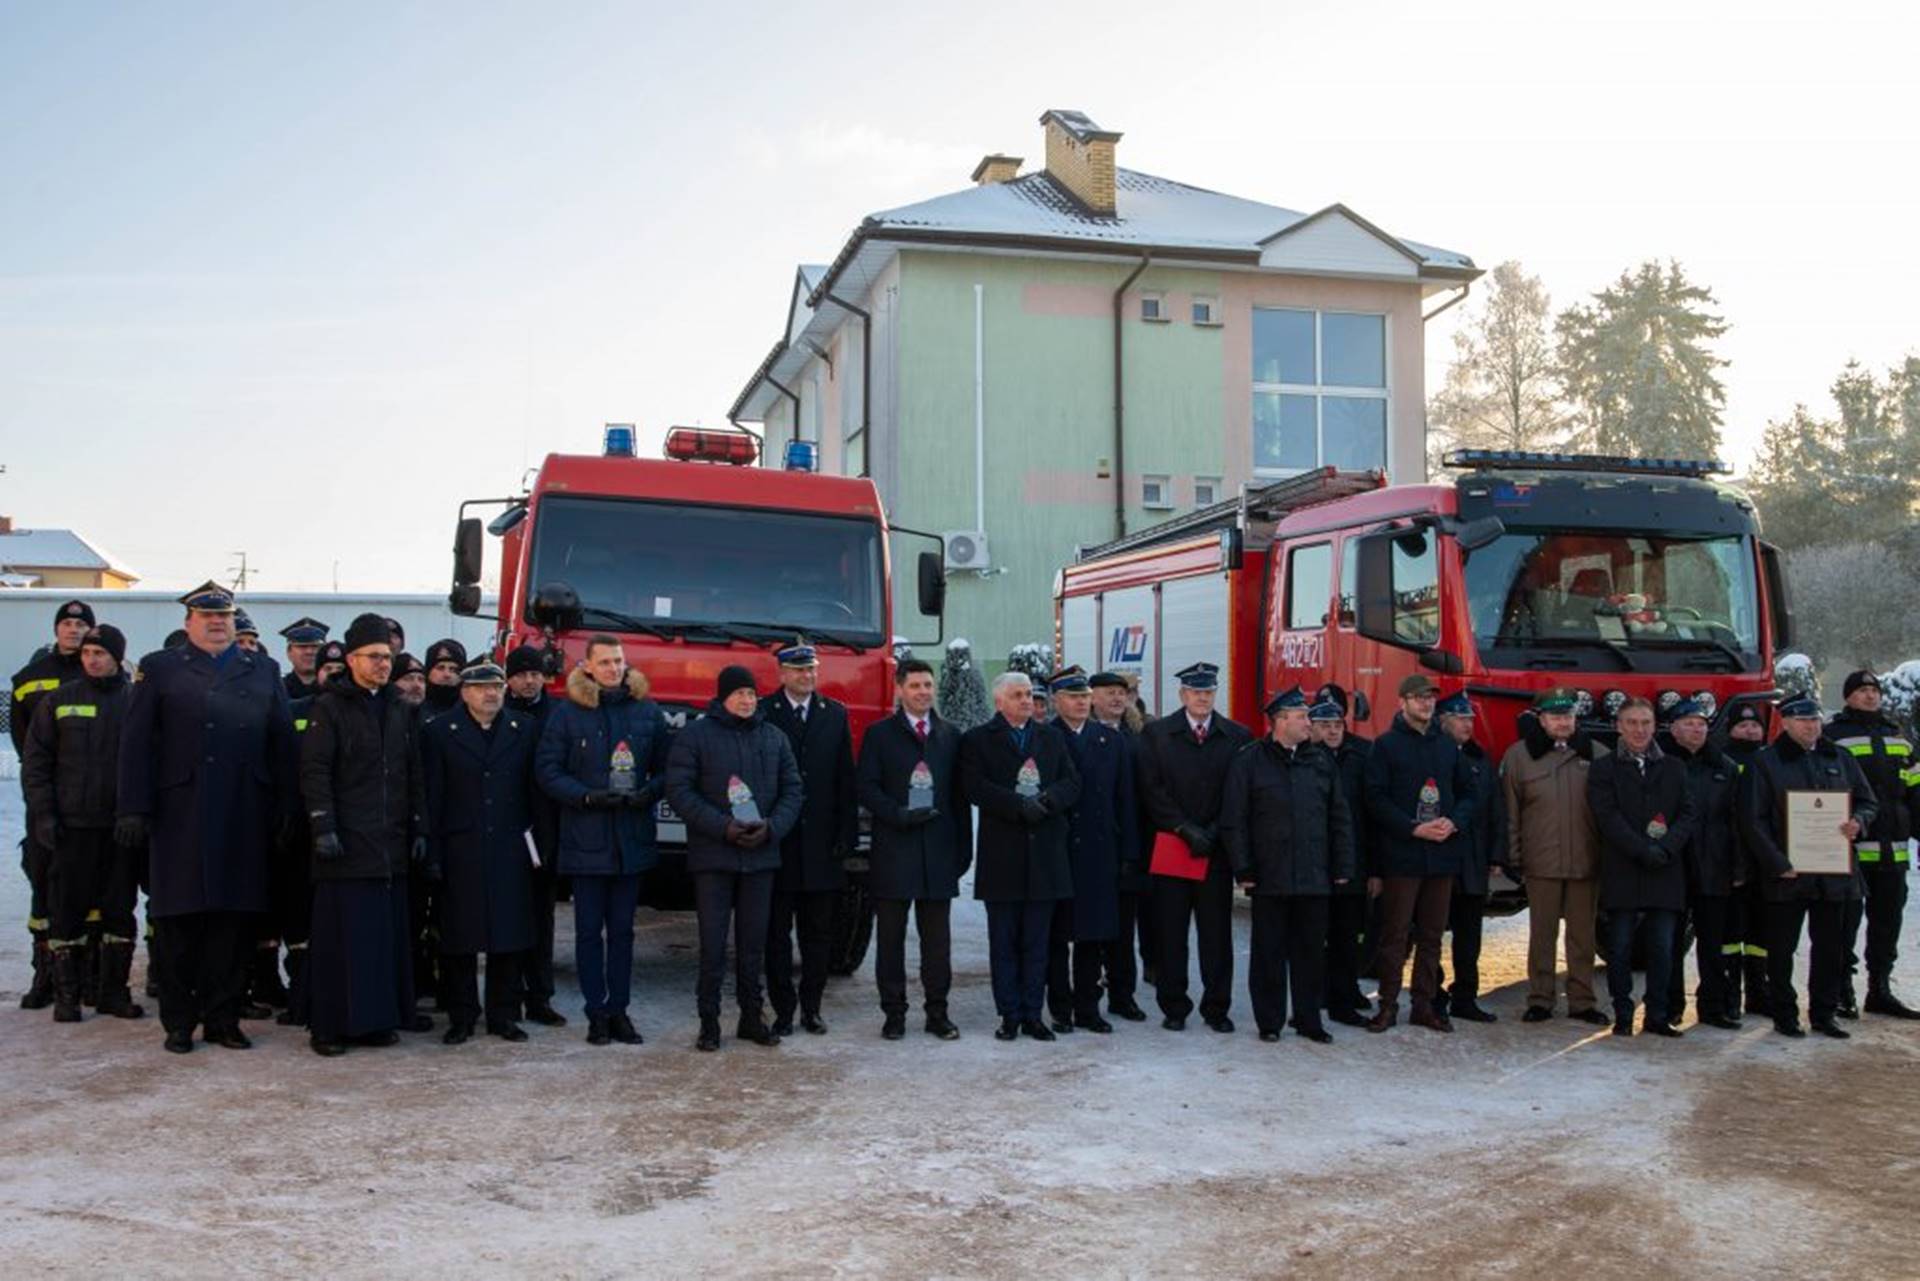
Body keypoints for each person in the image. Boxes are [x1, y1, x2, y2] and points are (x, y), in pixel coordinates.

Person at [117, 582, 297, 1053]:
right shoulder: (160, 669)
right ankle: (180, 1022)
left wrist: (285, 807)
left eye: (225, 616)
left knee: (234, 925)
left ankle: (223, 1017)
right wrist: (133, 807)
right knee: (180, 923)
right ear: (189, 623)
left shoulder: (262, 669)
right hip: (181, 813)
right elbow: (136, 745)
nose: (218, 623)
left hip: (243, 811)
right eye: (207, 616)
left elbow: (281, 745)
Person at [299, 613, 430, 1057]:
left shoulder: (396, 707)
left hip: (387, 843)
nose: (382, 664)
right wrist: (323, 825)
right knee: (341, 940)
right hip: (345, 844)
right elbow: (315, 771)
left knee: (380, 939)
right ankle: (330, 1027)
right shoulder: (330, 707)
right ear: (352, 659)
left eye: (387, 657)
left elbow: (412, 772)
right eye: (374, 657)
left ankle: (374, 1020)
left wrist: (419, 827)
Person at [535, 635, 667, 1046]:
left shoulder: (647, 712)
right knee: (589, 932)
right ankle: (596, 1012)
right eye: (606, 662)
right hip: (585, 840)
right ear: (587, 667)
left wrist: (650, 792)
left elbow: (669, 766)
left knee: (624, 932)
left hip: (630, 840)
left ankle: (619, 1011)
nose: (614, 668)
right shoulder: (567, 714)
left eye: (619, 661)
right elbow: (547, 770)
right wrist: (586, 796)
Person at [665, 665, 803, 1052]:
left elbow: (793, 791)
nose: (747, 701)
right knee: (712, 945)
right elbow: (680, 791)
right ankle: (709, 1022)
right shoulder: (696, 737)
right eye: (739, 694)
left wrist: (772, 828)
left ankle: (751, 1017)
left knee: (752, 945)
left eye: (751, 694)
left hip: (761, 858)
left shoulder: (774, 737)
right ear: (722, 697)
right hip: (714, 858)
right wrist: (723, 827)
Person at [21, 624, 143, 1022]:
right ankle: (67, 996)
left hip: (119, 829)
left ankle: (112, 992)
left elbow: (149, 765)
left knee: (119, 911)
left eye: (100, 653)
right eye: (87, 652)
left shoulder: (136, 703)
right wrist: (45, 815)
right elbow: (36, 765)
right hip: (71, 827)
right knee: (66, 911)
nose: (91, 659)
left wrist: (135, 814)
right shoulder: (59, 701)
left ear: (116, 658)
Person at [1222, 686, 1355, 1044]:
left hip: (1315, 875)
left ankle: (1309, 1019)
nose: (1308, 722)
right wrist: (1244, 868)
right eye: (1301, 716)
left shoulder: (1320, 760)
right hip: (1270, 875)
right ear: (1280, 720)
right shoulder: (1250, 760)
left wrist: (1342, 865)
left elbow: (1338, 816)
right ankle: (1270, 1021)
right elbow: (1236, 819)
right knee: (1269, 952)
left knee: (1311, 952)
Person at [1741, 692, 1878, 1038]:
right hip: (1787, 875)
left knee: (1831, 948)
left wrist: (1858, 822)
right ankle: (1785, 1014)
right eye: (1803, 721)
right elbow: (1752, 820)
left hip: (1833, 876)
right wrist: (1777, 862)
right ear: (1785, 723)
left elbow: (1867, 801)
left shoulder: (1840, 757)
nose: (1811, 726)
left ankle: (1824, 1013)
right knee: (1782, 950)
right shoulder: (1766, 762)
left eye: (1815, 720)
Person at [420, 662, 538, 1045]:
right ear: (464, 692)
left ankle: (504, 1015)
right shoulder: (439, 732)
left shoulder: (524, 730)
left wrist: (539, 847)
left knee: (509, 935)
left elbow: (534, 793)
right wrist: (432, 851)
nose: (492, 694)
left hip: (509, 847)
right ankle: (462, 1015)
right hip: (461, 847)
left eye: (497, 686)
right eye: (482, 687)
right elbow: (432, 796)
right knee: (459, 939)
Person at [961, 672, 1080, 1042]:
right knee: (1004, 943)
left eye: (1030, 694)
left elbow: (1072, 782)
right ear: (1000, 701)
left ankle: (1033, 1014)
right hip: (1004, 858)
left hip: (1045, 856)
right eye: (1018, 695)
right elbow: (973, 785)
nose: (1027, 700)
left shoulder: (1051, 737)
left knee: (1037, 943)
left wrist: (1046, 802)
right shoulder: (978, 740)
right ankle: (1009, 1014)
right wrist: (1016, 805)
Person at [858, 658, 970, 1040]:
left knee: (937, 943)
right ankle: (894, 1013)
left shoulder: (951, 735)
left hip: (938, 854)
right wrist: (897, 815)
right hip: (895, 851)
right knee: (890, 940)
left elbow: (959, 798)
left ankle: (937, 1012)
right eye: (916, 685)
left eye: (928, 685)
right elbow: (867, 788)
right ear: (900, 689)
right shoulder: (880, 735)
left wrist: (963, 852)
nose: (923, 692)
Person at [1136, 661, 1250, 1032]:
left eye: (1208, 692)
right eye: (1196, 692)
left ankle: (1216, 1008)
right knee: (1171, 934)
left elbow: (1238, 793)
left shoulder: (1236, 736)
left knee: (1216, 936)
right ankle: (1174, 1006)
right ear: (1182, 695)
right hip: (1173, 847)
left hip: (1214, 853)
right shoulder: (1156, 735)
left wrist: (1214, 832)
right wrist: (1184, 829)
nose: (1203, 698)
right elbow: (1151, 791)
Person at [1363, 673, 1475, 1034]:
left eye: (1430, 698)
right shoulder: (1386, 746)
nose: (1426, 704)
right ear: (1403, 702)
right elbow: (1375, 799)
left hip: (1440, 856)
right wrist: (1412, 827)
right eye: (1418, 698)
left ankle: (1424, 1005)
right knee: (1395, 935)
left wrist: (1453, 822)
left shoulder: (1446, 746)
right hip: (1402, 856)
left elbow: (1469, 792)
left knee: (1432, 935)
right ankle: (1388, 1004)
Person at [760, 643, 857, 1037]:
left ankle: (812, 1008)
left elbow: (845, 780)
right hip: (778, 844)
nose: (807, 677)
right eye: (799, 671)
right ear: (782, 674)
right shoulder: (766, 712)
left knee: (818, 936)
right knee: (776, 936)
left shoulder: (833, 714)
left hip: (821, 845)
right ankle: (783, 1009)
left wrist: (846, 834)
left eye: (812, 670)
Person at [1588, 697, 1698, 1037]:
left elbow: (1688, 813)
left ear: (1655, 727)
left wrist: (1664, 848)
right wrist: (1641, 849)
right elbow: (1607, 817)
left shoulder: (1675, 767)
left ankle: (1657, 1015)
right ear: (1619, 727)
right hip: (1623, 869)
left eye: (1645, 723)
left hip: (1665, 870)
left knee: (1663, 949)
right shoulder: (1603, 769)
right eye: (1632, 723)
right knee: (1619, 948)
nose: (1639, 730)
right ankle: (1622, 1013)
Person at [1501, 688, 1610, 1026]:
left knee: (1582, 936)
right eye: (1556, 716)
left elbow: (1609, 814)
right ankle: (1540, 999)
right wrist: (1514, 856)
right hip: (1541, 860)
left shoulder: (1597, 753)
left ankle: (1582, 1000)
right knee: (1541, 934)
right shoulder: (1519, 757)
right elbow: (1511, 812)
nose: (1563, 722)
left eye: (1568, 716)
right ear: (1542, 720)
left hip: (1585, 860)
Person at [1044, 667, 1137, 1035]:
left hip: (1100, 852)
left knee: (1092, 938)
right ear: (1057, 700)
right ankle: (1060, 1008)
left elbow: (1124, 799)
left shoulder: (1109, 740)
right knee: (1057, 937)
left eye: (1084, 697)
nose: (1081, 703)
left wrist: (1128, 852)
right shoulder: (1046, 737)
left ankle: (1088, 1007)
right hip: (1060, 850)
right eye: (1073, 697)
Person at [11, 598, 93, 1011]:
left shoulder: (101, 671)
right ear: (56, 629)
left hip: (93, 800)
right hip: (47, 800)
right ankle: (45, 972)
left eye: (82, 624)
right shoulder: (29, 678)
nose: (74, 629)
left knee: (92, 888)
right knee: (44, 885)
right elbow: (27, 746)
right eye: (67, 623)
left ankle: (92, 976)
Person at [1824, 670, 1920, 1019]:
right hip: (1848, 849)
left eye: (1874, 690)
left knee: (1887, 923)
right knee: (1843, 924)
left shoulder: (1899, 738)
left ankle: (1880, 989)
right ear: (1848, 697)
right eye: (1862, 690)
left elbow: (1915, 792)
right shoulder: (1831, 736)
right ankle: (1842, 991)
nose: (1870, 696)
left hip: (1892, 850)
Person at [1661, 698, 1746, 1029]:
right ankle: (1670, 1006)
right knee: (1670, 944)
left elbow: (1739, 820)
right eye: (1689, 723)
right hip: (1674, 868)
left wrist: (1739, 866)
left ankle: (1713, 1007)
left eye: (1701, 723)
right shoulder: (1663, 763)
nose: (1696, 729)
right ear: (1674, 728)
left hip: (1716, 866)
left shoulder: (1724, 767)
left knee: (1713, 944)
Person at [504, 644, 565, 1026]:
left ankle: (539, 997)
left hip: (546, 829)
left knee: (542, 919)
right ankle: (507, 998)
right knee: (509, 918)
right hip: (507, 828)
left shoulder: (559, 713)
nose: (529, 681)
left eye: (536, 673)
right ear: (509, 678)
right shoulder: (496, 710)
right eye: (522, 674)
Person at [1436, 692, 1502, 1023]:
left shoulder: (1480, 759)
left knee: (1469, 936)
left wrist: (1495, 854)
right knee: (1430, 930)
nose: (1468, 725)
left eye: (1470, 719)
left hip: (1473, 859)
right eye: (1461, 719)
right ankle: (1432, 993)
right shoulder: (1431, 755)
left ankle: (1466, 997)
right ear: (1443, 720)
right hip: (1438, 856)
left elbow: (1494, 810)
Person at [1310, 688, 1374, 1027]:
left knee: (1349, 936)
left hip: (1353, 863)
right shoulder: (1304, 757)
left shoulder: (1363, 754)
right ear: (1312, 726)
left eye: (1337, 723)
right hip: (1316, 866)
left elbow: (1371, 814)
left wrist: (1374, 869)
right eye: (1325, 724)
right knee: (1316, 935)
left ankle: (1346, 993)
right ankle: (1318, 993)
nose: (1333, 730)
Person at [1089, 669, 1150, 1021]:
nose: (1117, 699)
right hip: (1092, 849)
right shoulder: (1076, 734)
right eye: (1109, 692)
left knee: (1124, 930)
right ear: (1093, 697)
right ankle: (1087, 995)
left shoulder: (1140, 736)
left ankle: (1122, 995)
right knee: (1090, 929)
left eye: (1122, 693)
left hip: (1131, 845)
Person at [1723, 702, 1773, 1018]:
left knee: (1761, 935)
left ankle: (1759, 994)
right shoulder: (1722, 760)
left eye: (1755, 725)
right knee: (1729, 935)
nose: (1750, 730)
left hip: (1764, 863)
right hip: (1732, 861)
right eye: (1742, 726)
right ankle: (1729, 996)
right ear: (1730, 730)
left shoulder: (1772, 760)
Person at [279, 617, 330, 700]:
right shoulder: (278, 688)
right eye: (302, 647)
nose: (309, 652)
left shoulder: (334, 688)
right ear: (289, 653)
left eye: (315, 646)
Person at [421, 639, 468, 720]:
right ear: (428, 672)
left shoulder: (472, 708)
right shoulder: (415, 708)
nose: (447, 674)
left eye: (453, 669)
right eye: (440, 668)